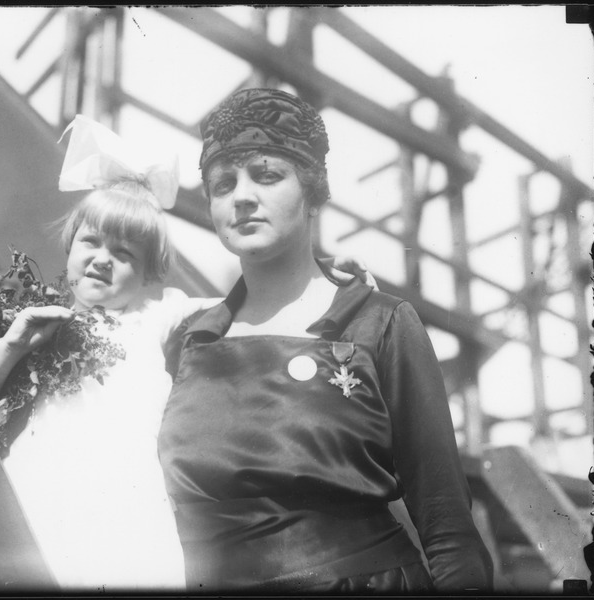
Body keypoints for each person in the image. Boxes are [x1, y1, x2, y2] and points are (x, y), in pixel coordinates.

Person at [0, 115, 376, 592]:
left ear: (150, 272)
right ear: (69, 247)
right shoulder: (30, 323)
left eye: (125, 253)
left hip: (127, 516)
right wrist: (11, 345)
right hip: (39, 497)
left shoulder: (158, 319)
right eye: (90, 241)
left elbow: (254, 296)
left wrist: (319, 271)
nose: (103, 259)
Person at [158, 88, 494, 593]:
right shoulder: (187, 340)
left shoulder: (379, 324)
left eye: (267, 175)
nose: (242, 196)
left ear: (313, 192)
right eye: (222, 184)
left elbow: (447, 525)